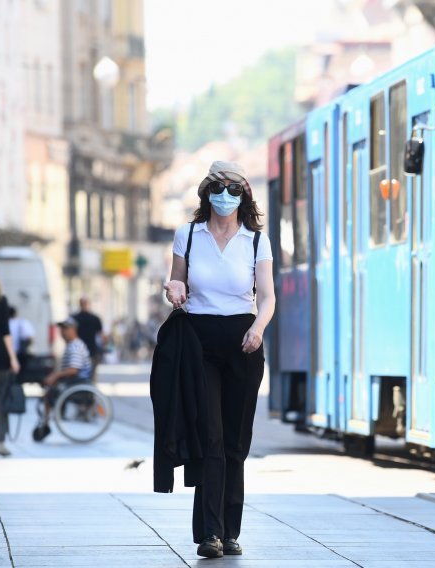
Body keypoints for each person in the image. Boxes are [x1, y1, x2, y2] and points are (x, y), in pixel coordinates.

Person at [164, 160, 274, 558]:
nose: (224, 197)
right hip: (199, 343)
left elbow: (267, 295)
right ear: (205, 193)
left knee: (234, 443)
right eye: (217, 189)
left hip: (244, 341)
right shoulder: (188, 235)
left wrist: (258, 328)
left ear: (243, 196)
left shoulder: (257, 241)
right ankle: (209, 533)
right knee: (210, 437)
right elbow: (179, 280)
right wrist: (173, 288)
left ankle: (230, 532)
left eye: (233, 190)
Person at [34, 317, 93, 440]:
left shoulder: (75, 346)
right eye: (61, 329)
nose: (62, 332)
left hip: (78, 384)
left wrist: (55, 376)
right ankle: (45, 421)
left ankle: (46, 422)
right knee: (49, 388)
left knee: (51, 392)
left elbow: (73, 370)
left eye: (65, 329)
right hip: (72, 382)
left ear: (73, 330)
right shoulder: (71, 345)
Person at [0, 270, 20, 457]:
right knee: (1, 401)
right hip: (0, 356)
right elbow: (6, 332)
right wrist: (13, 358)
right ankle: (1, 443)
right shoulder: (1, 300)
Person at [72, 298, 105, 381]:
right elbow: (102, 336)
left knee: (78, 375)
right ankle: (89, 391)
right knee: (91, 376)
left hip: (78, 351)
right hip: (91, 351)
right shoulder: (95, 318)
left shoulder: (74, 318)